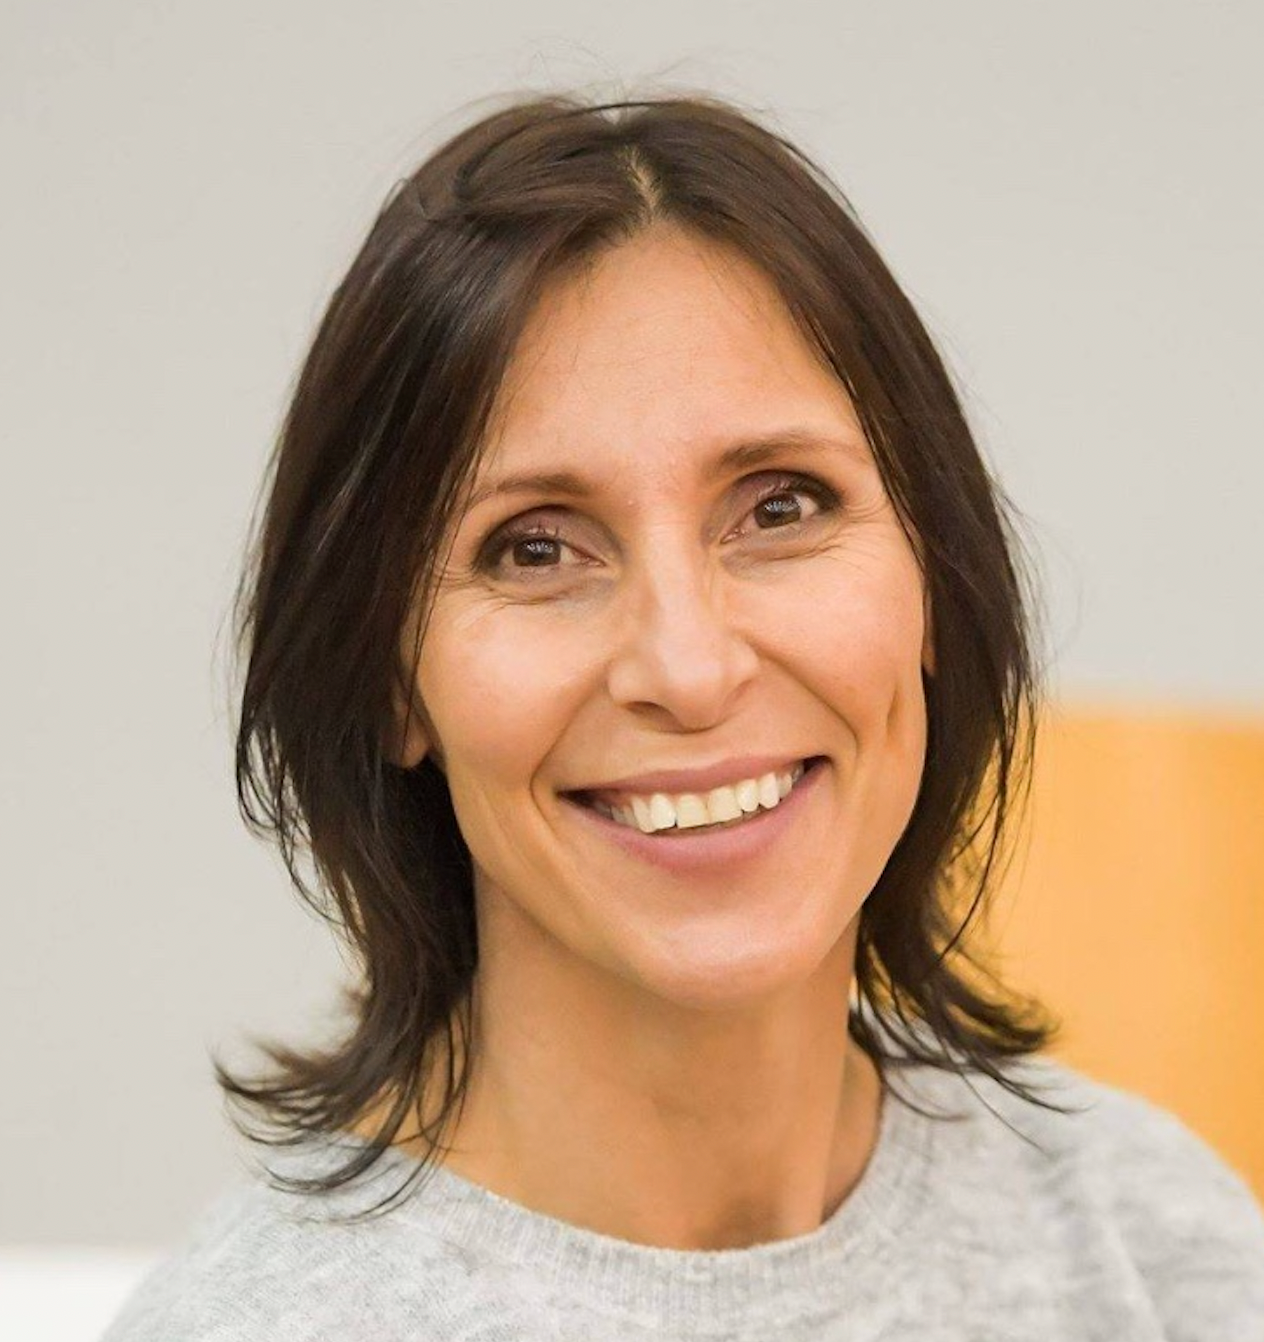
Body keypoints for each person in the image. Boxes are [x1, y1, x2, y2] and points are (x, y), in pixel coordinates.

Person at [102, 93, 1264, 1340]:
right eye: (534, 547)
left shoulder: (1153, 1247)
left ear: (932, 579)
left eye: (779, 508)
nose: (689, 667)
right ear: (390, 678)